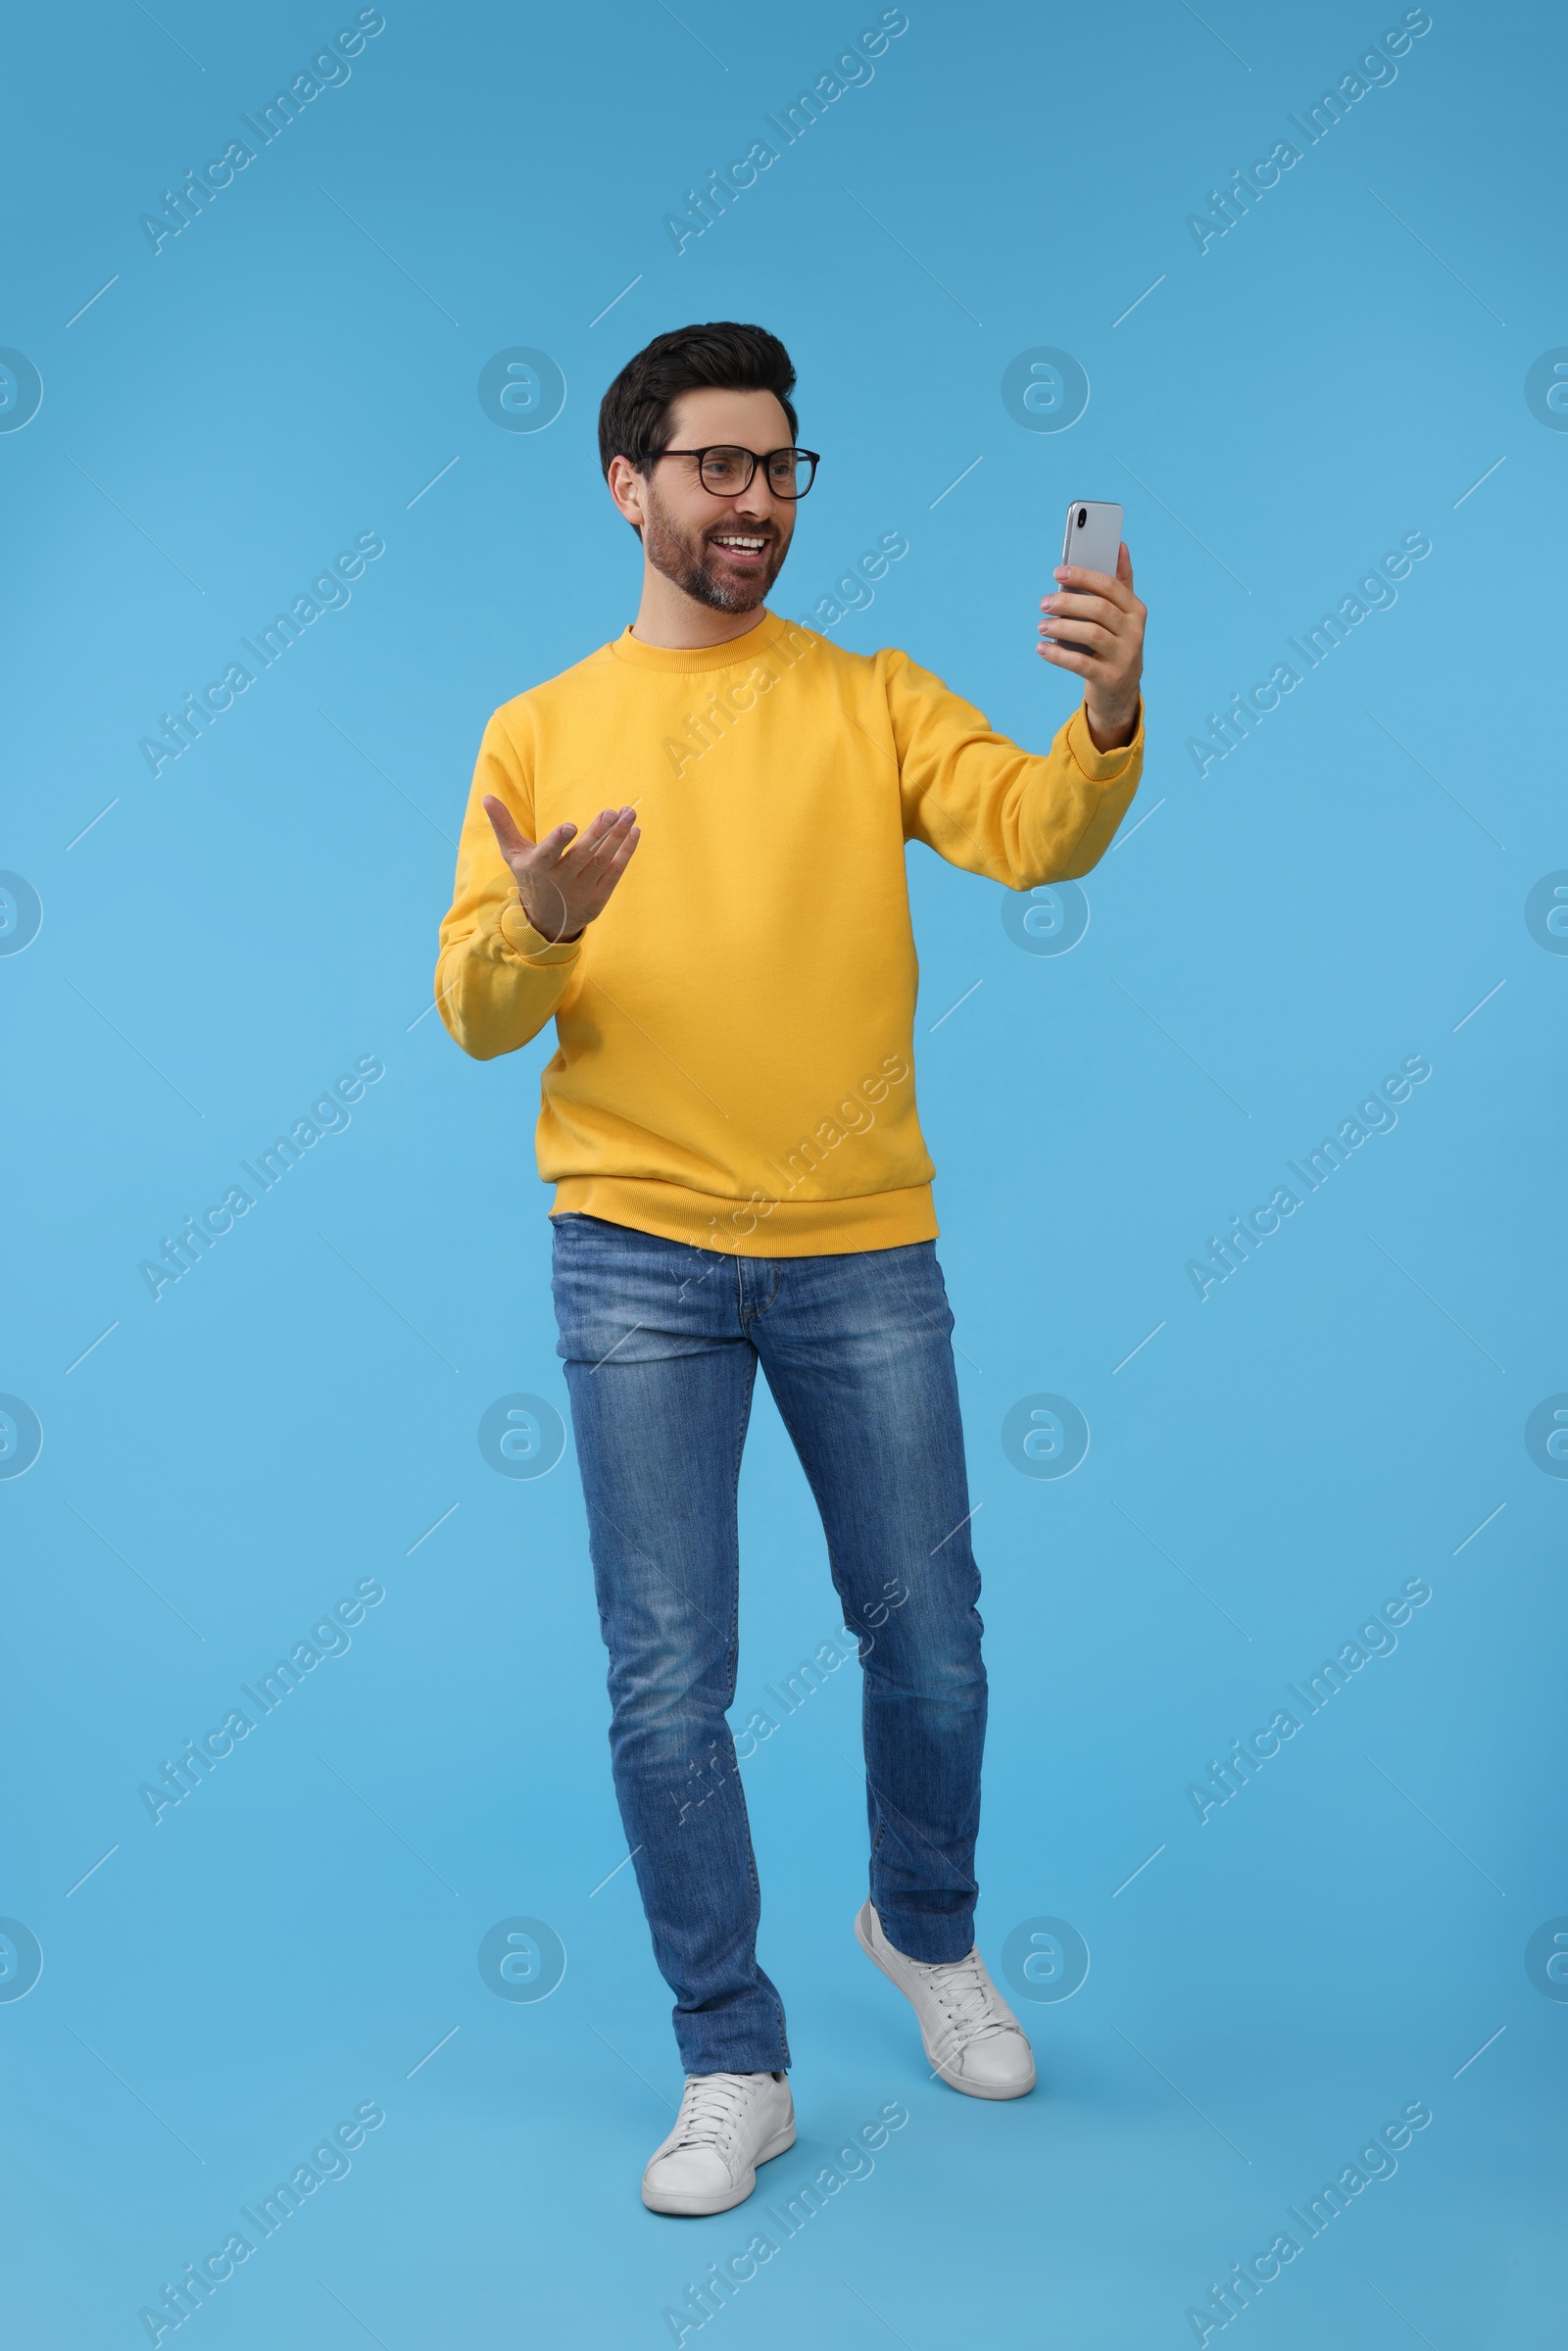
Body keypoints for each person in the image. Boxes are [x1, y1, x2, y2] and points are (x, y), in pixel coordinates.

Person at [436, 321, 1146, 2217]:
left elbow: (1028, 829)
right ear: (630, 483)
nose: (754, 501)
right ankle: (728, 2058)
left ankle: (924, 1930)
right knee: (669, 1681)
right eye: (718, 467)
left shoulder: (870, 697)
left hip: (859, 1251)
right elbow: (475, 1016)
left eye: (780, 468)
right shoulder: (537, 729)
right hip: (636, 1262)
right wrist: (539, 925)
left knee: (931, 1645)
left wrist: (1106, 719)